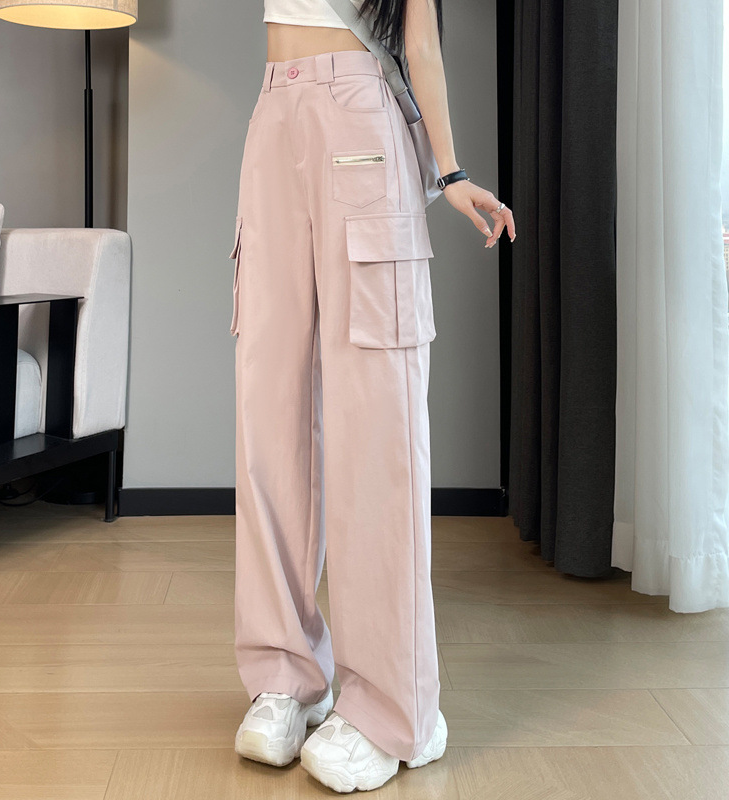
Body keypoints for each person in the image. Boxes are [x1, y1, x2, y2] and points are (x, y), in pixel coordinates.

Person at [229, 0, 516, 792]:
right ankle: (286, 676)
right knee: (270, 422)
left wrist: (450, 171)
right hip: (273, 115)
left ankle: (397, 709)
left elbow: (421, 39)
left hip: (360, 113)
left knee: (375, 432)